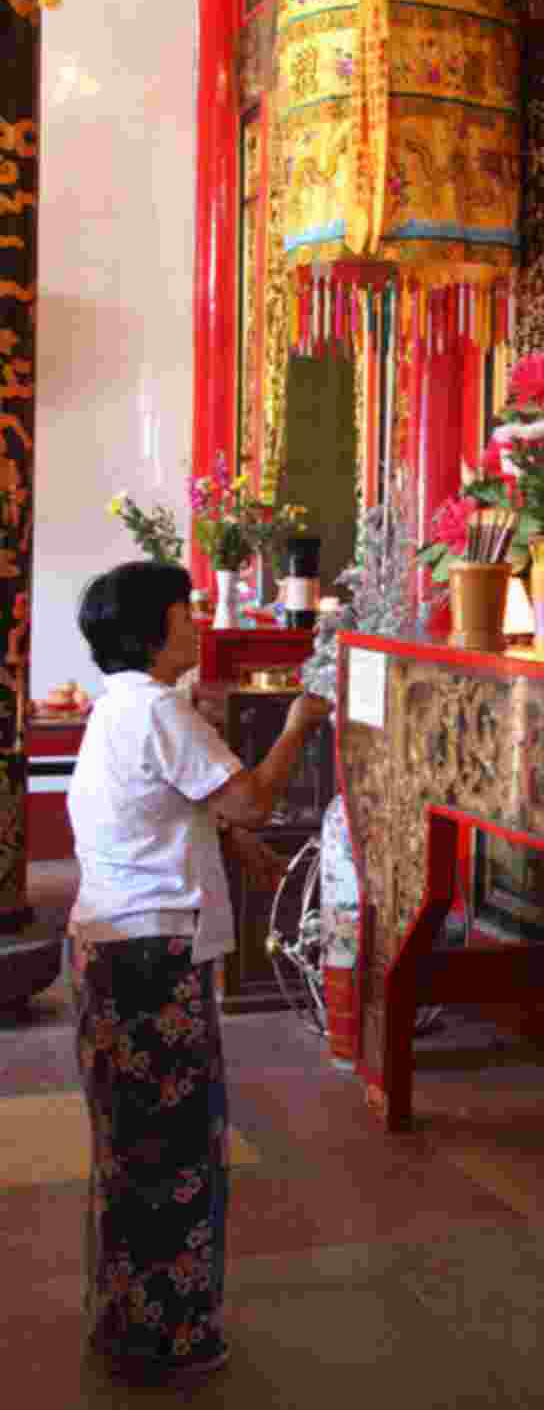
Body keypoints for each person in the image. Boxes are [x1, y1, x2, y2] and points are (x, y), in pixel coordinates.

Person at [66, 560, 331, 1380]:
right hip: (152, 960)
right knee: (173, 1153)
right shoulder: (159, 712)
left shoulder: (119, 713)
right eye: (186, 612)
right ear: (154, 631)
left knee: (129, 1148)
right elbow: (248, 796)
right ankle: (168, 1340)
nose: (197, 622)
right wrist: (298, 723)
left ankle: (125, 1324)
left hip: (112, 950)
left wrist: (227, 842)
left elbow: (161, 810)